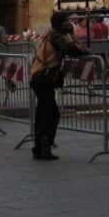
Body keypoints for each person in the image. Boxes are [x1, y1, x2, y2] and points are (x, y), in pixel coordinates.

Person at [30, 11, 87, 160]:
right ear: (63, 24)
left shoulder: (52, 34)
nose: (70, 24)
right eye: (68, 21)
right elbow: (74, 50)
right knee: (50, 114)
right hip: (43, 77)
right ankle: (44, 147)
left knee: (44, 111)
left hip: (40, 77)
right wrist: (74, 38)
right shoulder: (56, 37)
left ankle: (39, 147)